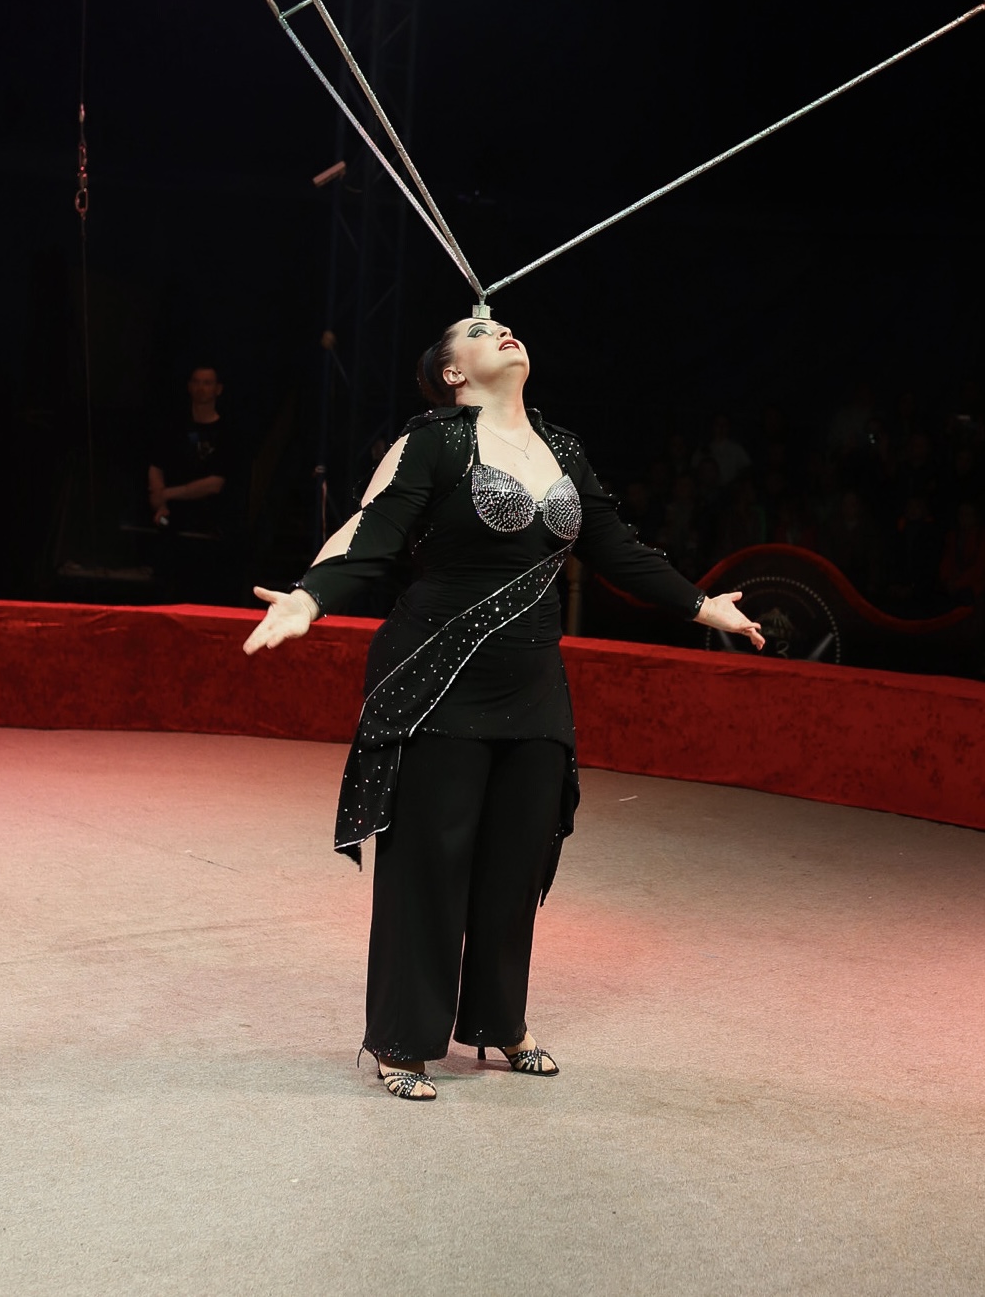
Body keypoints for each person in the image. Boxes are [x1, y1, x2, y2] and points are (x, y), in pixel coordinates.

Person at [243, 314, 763, 1101]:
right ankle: (400, 1040)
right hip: (439, 675)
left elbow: (617, 546)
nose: (504, 334)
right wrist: (309, 597)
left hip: (532, 684)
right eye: (480, 331)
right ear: (452, 372)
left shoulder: (563, 447)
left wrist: (700, 604)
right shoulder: (433, 441)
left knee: (515, 862)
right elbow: (373, 531)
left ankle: (496, 1019)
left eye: (506, 327)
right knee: (428, 863)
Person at [147, 364, 240, 601]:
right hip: (173, 520)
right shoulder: (173, 426)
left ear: (218, 389)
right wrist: (160, 503)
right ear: (189, 386)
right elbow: (156, 465)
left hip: (210, 522)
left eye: (207, 383)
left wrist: (167, 494)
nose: (201, 388)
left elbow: (215, 483)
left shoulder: (227, 431)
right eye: (196, 382)